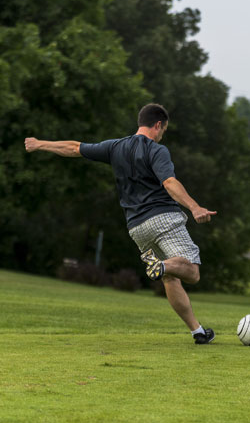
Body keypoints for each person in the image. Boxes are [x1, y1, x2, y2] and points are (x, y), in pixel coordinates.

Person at [24, 103, 217, 345]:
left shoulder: (114, 147)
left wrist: (40, 144)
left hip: (136, 227)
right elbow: (169, 182)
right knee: (192, 272)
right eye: (163, 130)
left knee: (170, 278)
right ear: (158, 125)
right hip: (163, 218)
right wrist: (195, 207)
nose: (162, 135)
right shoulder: (157, 151)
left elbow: (74, 148)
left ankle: (197, 331)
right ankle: (163, 265)